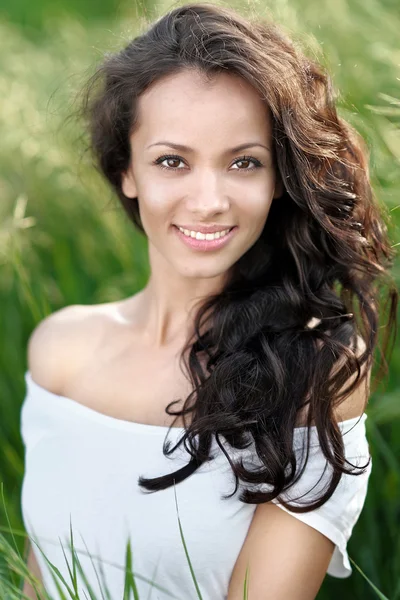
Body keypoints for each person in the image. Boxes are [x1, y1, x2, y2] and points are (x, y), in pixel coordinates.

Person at [20, 2, 398, 599]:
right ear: (127, 170)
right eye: (173, 161)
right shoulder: (59, 351)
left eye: (244, 163)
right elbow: (40, 579)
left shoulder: (313, 372)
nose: (208, 200)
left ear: (279, 181)